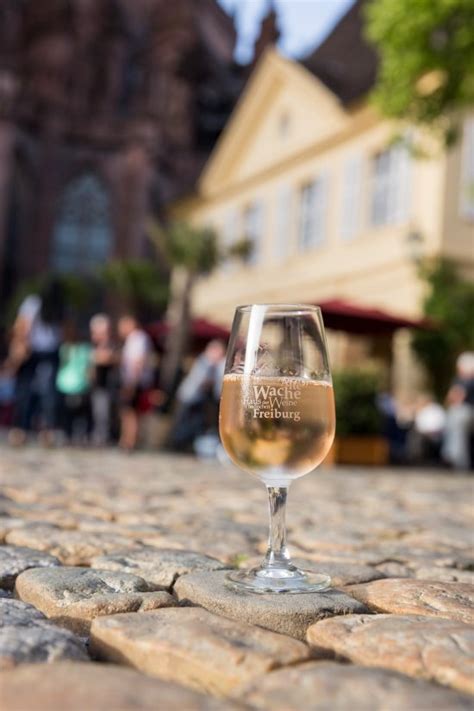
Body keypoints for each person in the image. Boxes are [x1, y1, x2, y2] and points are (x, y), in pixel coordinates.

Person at [8, 279, 63, 446]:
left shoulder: (33, 302)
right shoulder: (60, 307)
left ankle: (20, 430)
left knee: (25, 391)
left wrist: (19, 345)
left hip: (33, 351)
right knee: (49, 393)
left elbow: (22, 325)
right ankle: (48, 431)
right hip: (51, 352)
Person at [169, 339, 226, 451]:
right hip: (189, 397)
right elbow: (201, 381)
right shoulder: (203, 362)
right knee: (182, 422)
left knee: (195, 423)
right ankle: (176, 444)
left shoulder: (215, 365)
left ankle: (187, 445)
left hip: (199, 400)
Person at [117, 314, 153, 451]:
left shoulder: (138, 338)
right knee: (129, 411)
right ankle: (127, 439)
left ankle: (129, 441)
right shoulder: (133, 339)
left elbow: (138, 361)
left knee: (130, 412)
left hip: (135, 381)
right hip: (133, 380)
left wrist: (131, 382)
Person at [56, 322, 92, 443]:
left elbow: (87, 367)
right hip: (67, 384)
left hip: (77, 384)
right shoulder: (65, 348)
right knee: (70, 413)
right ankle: (69, 435)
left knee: (78, 413)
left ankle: (75, 435)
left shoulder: (82, 348)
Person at [442, 352, 474, 470]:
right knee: (453, 416)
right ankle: (451, 455)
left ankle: (453, 456)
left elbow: (455, 397)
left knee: (456, 416)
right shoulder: (460, 380)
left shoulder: (466, 380)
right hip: (462, 413)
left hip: (468, 412)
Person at [89, 314, 117, 446]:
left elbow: (106, 358)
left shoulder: (111, 345)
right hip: (96, 385)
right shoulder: (93, 346)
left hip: (107, 385)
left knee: (104, 413)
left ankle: (103, 437)